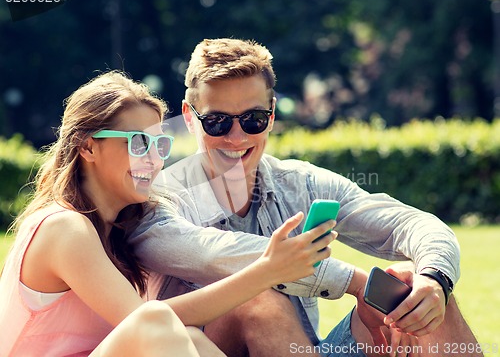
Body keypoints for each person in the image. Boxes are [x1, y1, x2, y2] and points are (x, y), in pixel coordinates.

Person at [131, 39, 483, 357]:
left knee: (411, 287)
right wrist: (355, 282)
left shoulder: (300, 182)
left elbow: (411, 224)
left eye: (253, 119)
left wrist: (435, 279)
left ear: (271, 116)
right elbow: (227, 256)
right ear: (190, 118)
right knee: (257, 295)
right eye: (218, 122)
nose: (236, 137)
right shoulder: (159, 198)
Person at [0, 70, 336, 357]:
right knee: (156, 321)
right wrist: (265, 270)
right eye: (137, 143)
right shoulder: (64, 227)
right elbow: (146, 323)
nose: (153, 159)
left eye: (159, 145)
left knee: (192, 337)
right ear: (88, 146)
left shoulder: (123, 228)